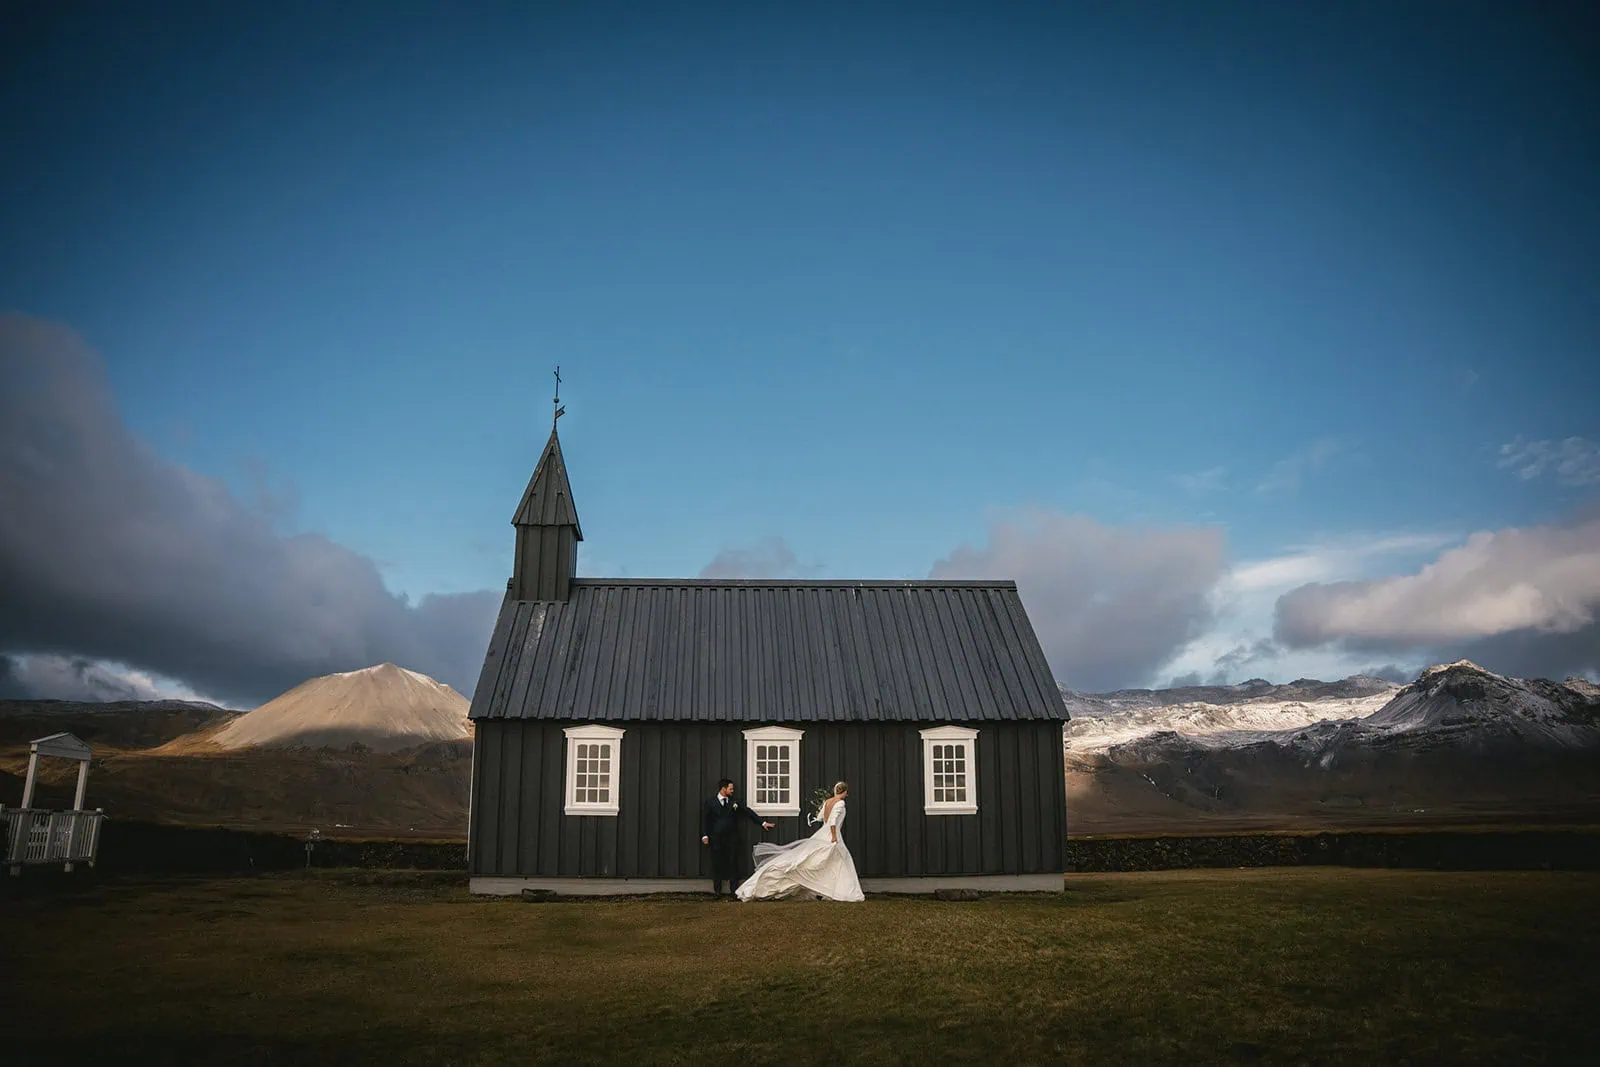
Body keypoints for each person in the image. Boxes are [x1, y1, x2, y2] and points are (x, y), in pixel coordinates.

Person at [735, 781, 864, 902]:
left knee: (826, 860)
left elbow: (820, 817)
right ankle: (842, 891)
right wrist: (834, 836)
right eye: (846, 792)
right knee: (835, 859)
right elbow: (833, 821)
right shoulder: (840, 803)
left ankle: (826, 889)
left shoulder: (828, 801)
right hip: (831, 834)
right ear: (844, 791)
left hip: (822, 833)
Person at [700, 778, 775, 899]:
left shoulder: (734, 802)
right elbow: (705, 820)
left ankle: (734, 890)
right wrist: (705, 835)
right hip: (716, 838)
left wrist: (763, 823)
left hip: (732, 838)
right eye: (730, 788)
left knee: (733, 864)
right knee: (717, 864)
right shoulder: (710, 802)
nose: (732, 790)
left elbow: (748, 812)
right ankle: (717, 891)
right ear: (723, 789)